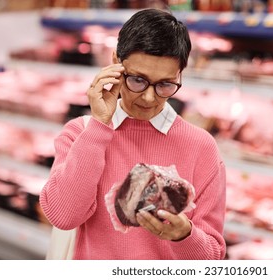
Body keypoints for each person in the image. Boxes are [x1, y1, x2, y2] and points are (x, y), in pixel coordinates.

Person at [39, 8, 227, 260]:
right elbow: (63, 216)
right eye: (138, 80)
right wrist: (100, 126)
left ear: (180, 74)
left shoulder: (201, 146)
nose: (149, 97)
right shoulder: (80, 133)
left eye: (165, 84)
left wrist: (185, 235)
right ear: (116, 61)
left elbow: (212, 256)